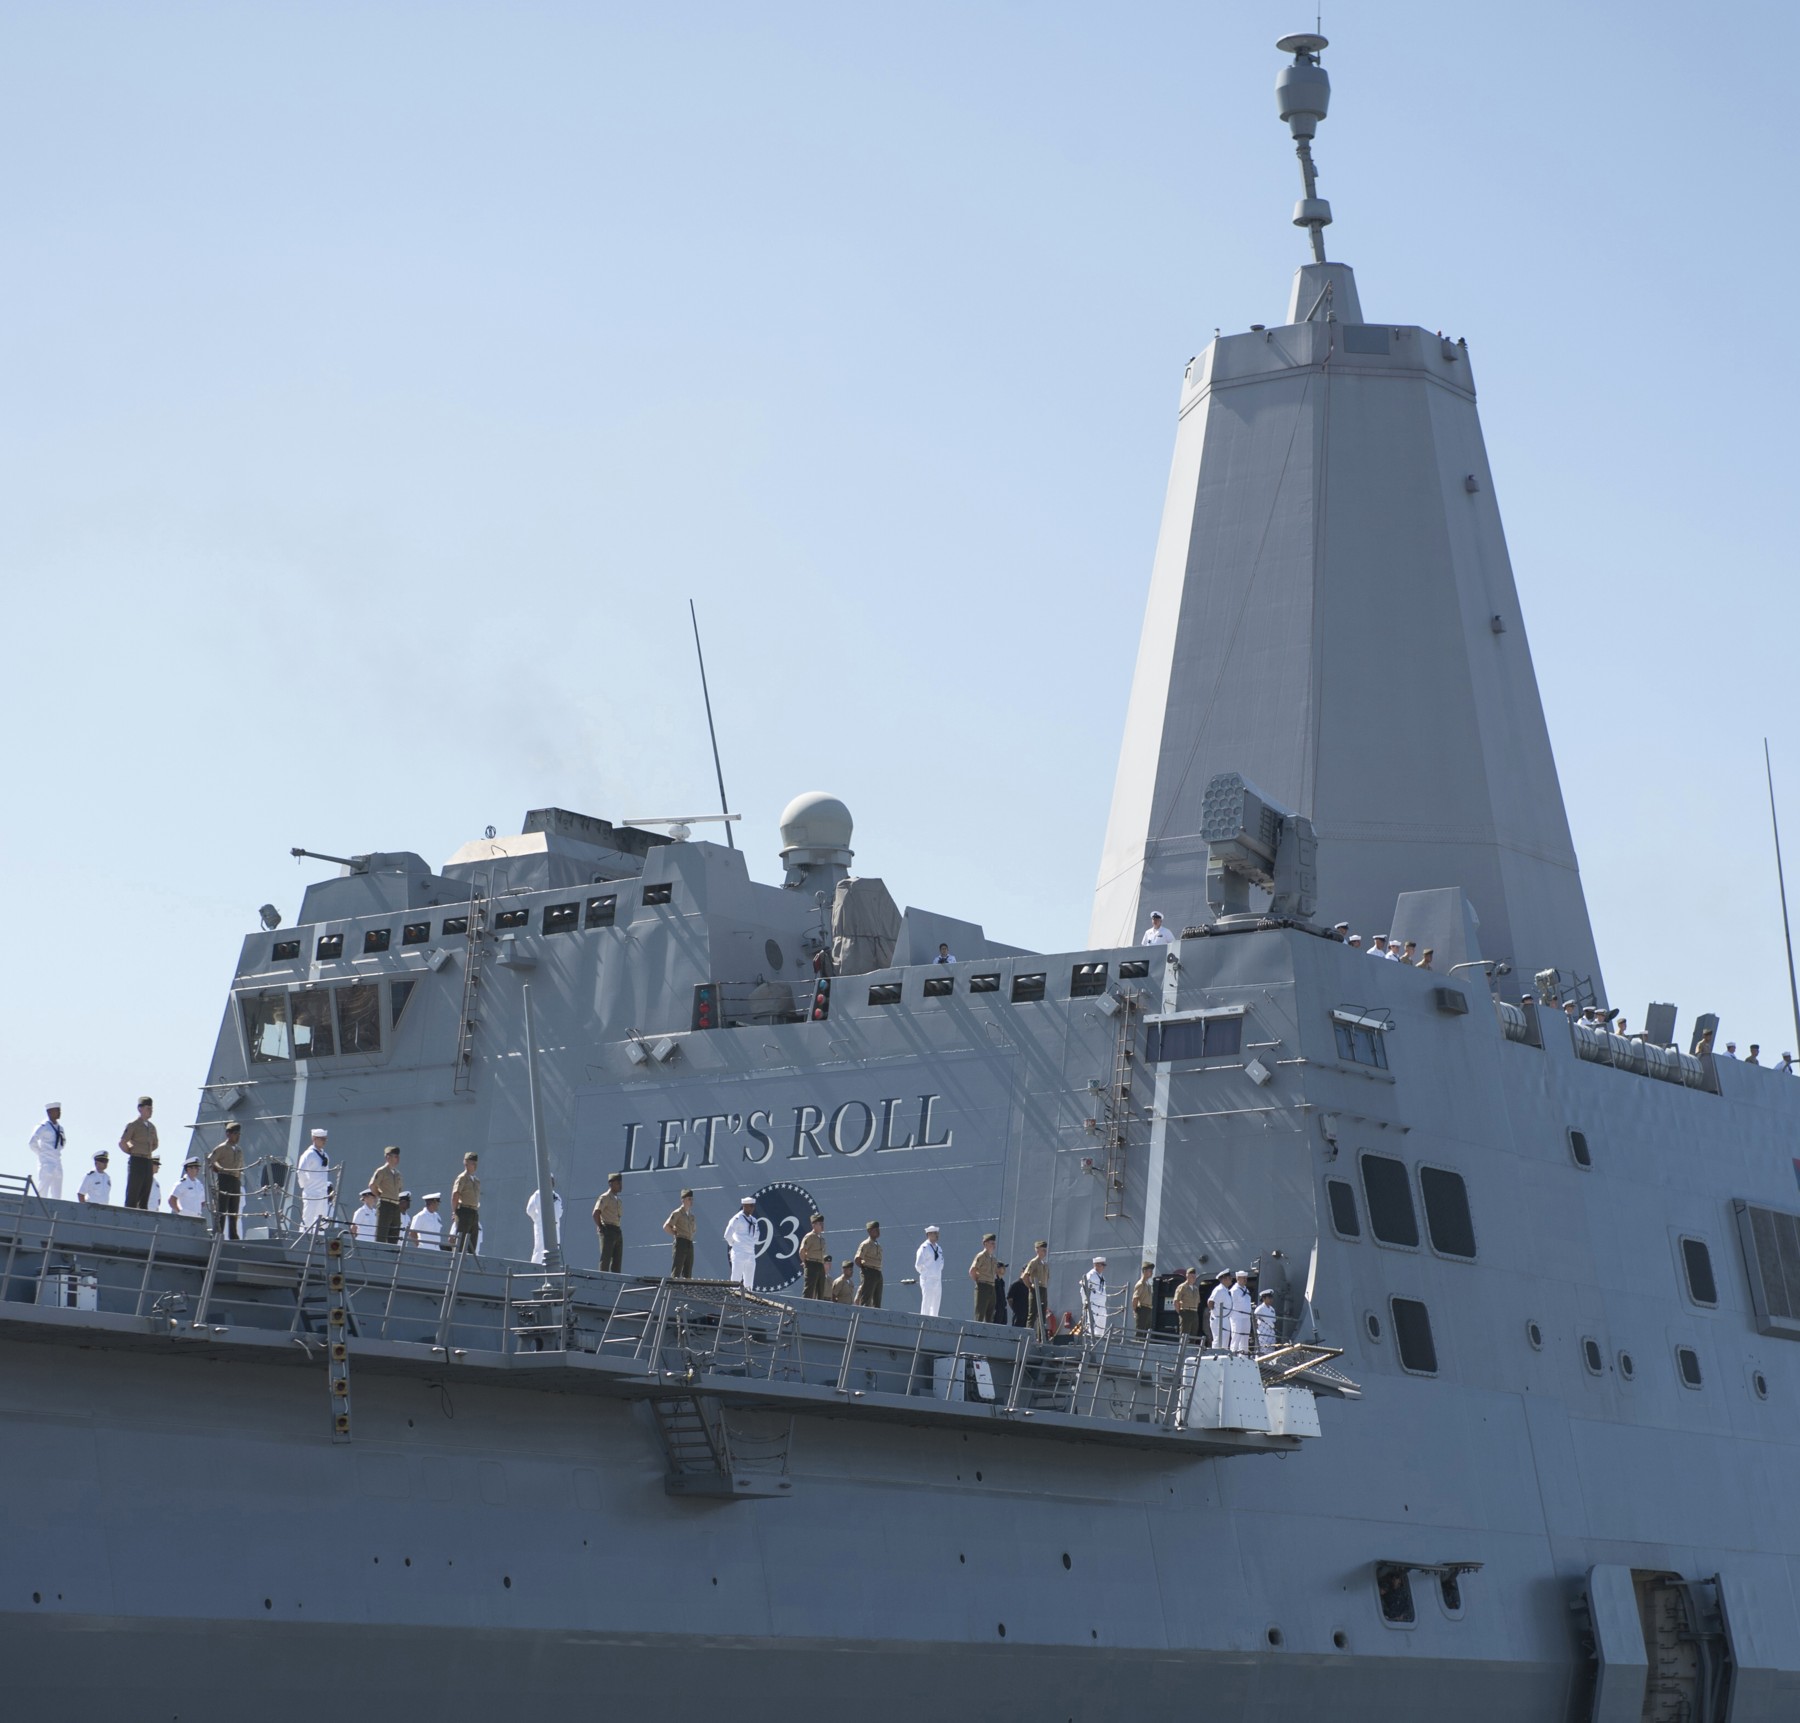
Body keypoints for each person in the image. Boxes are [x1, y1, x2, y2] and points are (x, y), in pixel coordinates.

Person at [119, 1095, 157, 1211]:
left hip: (147, 1161)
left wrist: (147, 1151)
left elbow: (155, 1144)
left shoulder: (151, 1127)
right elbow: (122, 1142)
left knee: (145, 1192)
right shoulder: (133, 1125)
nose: (150, 1111)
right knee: (133, 1191)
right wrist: (132, 1151)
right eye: (148, 1108)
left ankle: (143, 1214)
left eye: (151, 1109)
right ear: (140, 1109)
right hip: (136, 1160)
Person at [208, 1121, 244, 1240]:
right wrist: (219, 1169)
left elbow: (241, 1166)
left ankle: (233, 1235)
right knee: (222, 1210)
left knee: (234, 1210)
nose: (237, 1136)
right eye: (235, 1133)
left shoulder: (239, 1150)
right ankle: (219, 1233)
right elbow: (210, 1160)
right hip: (224, 1178)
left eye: (238, 1133)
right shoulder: (222, 1148)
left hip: (235, 1180)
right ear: (228, 1134)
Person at [296, 1129, 333, 1227]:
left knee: (323, 1220)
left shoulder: (325, 1156)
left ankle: (320, 1239)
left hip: (322, 1192)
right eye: (322, 1139)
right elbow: (301, 1171)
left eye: (325, 1139)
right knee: (308, 1218)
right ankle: (305, 1237)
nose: (324, 1141)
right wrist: (305, 1185)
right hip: (311, 1192)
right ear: (314, 1139)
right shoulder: (309, 1154)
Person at [29, 1103, 65, 1201]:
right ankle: (40, 1207)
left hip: (57, 1160)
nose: (59, 1113)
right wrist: (41, 1153)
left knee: (57, 1190)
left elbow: (62, 1142)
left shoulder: (60, 1128)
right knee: (43, 1188)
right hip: (46, 1161)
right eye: (57, 1110)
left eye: (59, 1110)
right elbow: (32, 1142)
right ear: (49, 1112)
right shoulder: (43, 1126)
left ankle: (56, 1208)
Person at [370, 1146, 404, 1245]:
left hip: (395, 1205)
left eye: (398, 1157)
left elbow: (400, 1189)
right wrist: (380, 1195)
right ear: (388, 1157)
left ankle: (392, 1256)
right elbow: (372, 1185)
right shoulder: (382, 1171)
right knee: (382, 1233)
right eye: (395, 1156)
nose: (398, 1159)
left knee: (394, 1234)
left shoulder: (397, 1174)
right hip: (385, 1204)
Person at [724, 1195, 760, 1290]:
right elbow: (727, 1235)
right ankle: (733, 1301)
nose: (752, 1208)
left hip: (751, 1254)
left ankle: (748, 1303)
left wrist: (750, 1242)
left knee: (749, 1283)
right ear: (745, 1206)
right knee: (736, 1280)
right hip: (739, 1253)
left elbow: (756, 1236)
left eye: (753, 1206)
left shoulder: (754, 1220)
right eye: (751, 1206)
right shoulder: (737, 1218)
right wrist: (735, 1244)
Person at [526, 1178, 564, 1265]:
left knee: (554, 1249)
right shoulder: (537, 1194)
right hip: (542, 1226)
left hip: (555, 1226)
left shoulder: (557, 1196)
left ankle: (552, 1270)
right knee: (539, 1248)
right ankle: (534, 1268)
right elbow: (529, 1210)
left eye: (552, 1181)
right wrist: (538, 1219)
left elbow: (560, 1211)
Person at [593, 1172, 624, 1273]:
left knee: (617, 1259)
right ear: (611, 1184)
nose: (620, 1185)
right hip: (608, 1229)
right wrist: (600, 1226)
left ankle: (616, 1279)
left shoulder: (617, 1199)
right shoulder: (605, 1197)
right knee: (606, 1258)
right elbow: (596, 1212)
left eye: (620, 1183)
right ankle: (603, 1279)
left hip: (617, 1229)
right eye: (618, 1183)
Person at [663, 1189, 697, 1278]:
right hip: (680, 1242)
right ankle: (673, 1290)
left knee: (688, 1272)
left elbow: (693, 1230)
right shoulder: (678, 1213)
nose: (691, 1201)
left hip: (689, 1243)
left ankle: (686, 1291)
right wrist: (675, 1233)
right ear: (683, 1200)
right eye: (689, 1199)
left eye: (692, 1199)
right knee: (676, 1271)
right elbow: (666, 1226)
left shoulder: (691, 1216)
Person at [451, 1152, 481, 1252]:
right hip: (464, 1211)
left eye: (475, 1163)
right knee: (461, 1242)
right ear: (466, 1163)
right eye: (472, 1163)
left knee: (473, 1243)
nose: (474, 1165)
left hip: (474, 1212)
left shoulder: (476, 1181)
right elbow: (455, 1195)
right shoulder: (462, 1178)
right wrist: (455, 1212)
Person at [1021, 1240, 1051, 1336]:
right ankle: (1028, 1335)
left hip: (1043, 1289)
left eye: (1045, 1250)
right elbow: (1025, 1276)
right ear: (1037, 1250)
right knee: (1032, 1314)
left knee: (1042, 1316)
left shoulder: (1045, 1264)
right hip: (1036, 1289)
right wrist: (1030, 1287)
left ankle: (1041, 1337)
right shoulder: (1034, 1262)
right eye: (1043, 1250)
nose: (1045, 1252)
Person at [913, 1224, 944, 1316]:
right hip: (928, 1279)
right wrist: (926, 1273)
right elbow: (918, 1264)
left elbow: (941, 1263)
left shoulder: (939, 1248)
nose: (937, 1235)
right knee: (927, 1302)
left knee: (936, 1303)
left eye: (937, 1233)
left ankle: (934, 1321)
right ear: (929, 1234)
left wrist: (937, 1272)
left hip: (937, 1279)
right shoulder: (924, 1247)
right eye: (935, 1233)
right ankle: (924, 1321)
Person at [169, 1156, 208, 1224]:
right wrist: (180, 1212)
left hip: (197, 1217)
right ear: (188, 1169)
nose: (198, 1169)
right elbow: (172, 1200)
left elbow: (202, 1202)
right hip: (185, 1218)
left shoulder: (199, 1184)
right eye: (195, 1168)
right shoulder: (182, 1183)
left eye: (198, 1167)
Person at [969, 1232, 999, 1321]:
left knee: (990, 1314)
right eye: (992, 1243)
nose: (994, 1245)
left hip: (991, 1286)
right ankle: (977, 1334)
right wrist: (978, 1281)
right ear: (985, 1243)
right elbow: (972, 1270)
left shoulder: (993, 1259)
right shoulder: (981, 1256)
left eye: (994, 1243)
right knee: (980, 1314)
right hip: (983, 1286)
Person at [854, 1221, 883, 1307]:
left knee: (877, 1300)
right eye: (875, 1229)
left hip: (878, 1272)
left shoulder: (878, 1245)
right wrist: (865, 1269)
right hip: (869, 1271)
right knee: (866, 1298)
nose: (878, 1231)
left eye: (878, 1229)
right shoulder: (866, 1244)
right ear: (869, 1231)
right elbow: (857, 1259)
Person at [799, 1212, 827, 1298]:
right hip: (811, 1264)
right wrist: (805, 1262)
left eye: (822, 1223)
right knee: (809, 1289)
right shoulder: (809, 1236)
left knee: (821, 1289)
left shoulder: (821, 1238)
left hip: (820, 1264)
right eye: (820, 1224)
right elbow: (802, 1251)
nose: (822, 1225)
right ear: (814, 1225)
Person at [1227, 1270, 1255, 1356]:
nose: (1245, 1280)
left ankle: (1244, 1357)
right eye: (1243, 1278)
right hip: (1237, 1317)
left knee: (1245, 1338)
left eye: (1246, 1278)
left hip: (1246, 1317)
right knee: (1236, 1336)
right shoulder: (1234, 1291)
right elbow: (1230, 1303)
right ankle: (1233, 1355)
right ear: (1238, 1278)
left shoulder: (1246, 1290)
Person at [1206, 1270, 1235, 1349]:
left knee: (1225, 1340)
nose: (1231, 1279)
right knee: (1218, 1340)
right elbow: (1210, 1302)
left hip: (1225, 1318)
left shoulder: (1225, 1290)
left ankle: (1222, 1356)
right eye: (1229, 1278)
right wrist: (1215, 1313)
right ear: (1224, 1279)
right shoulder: (1219, 1290)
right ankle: (1215, 1356)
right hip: (1219, 1319)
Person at [1081, 1258, 1108, 1336]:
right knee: (1092, 1327)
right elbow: (1083, 1289)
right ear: (1096, 1265)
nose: (1104, 1267)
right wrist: (1085, 1302)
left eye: (1104, 1265)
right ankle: (1090, 1343)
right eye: (1102, 1265)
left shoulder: (1102, 1277)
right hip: (1093, 1305)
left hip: (1102, 1305)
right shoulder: (1090, 1275)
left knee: (1101, 1327)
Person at [1173, 1268, 1202, 1339]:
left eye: (1194, 1276)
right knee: (1185, 1333)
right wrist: (1180, 1312)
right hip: (1185, 1311)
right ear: (1187, 1276)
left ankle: (1192, 1347)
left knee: (1193, 1332)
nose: (1193, 1278)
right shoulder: (1182, 1287)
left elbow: (1198, 1301)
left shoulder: (1195, 1288)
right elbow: (1176, 1301)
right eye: (1192, 1276)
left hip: (1194, 1312)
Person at [1132, 1262, 1155, 1334]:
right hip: (1142, 1309)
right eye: (1150, 1271)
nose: (1151, 1273)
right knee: (1140, 1331)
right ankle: (1137, 1345)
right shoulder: (1141, 1284)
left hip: (1148, 1309)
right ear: (1144, 1271)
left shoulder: (1147, 1284)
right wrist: (1136, 1311)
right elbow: (1135, 1299)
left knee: (1146, 1331)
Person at [1254, 1288, 1279, 1354]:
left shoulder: (1272, 1309)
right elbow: (1254, 1318)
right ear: (1264, 1298)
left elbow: (1274, 1320)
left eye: (1271, 1298)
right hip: (1263, 1333)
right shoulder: (1260, 1309)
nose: (1271, 1299)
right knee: (1263, 1351)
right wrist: (1256, 1328)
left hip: (1271, 1333)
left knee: (1271, 1351)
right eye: (1269, 1298)